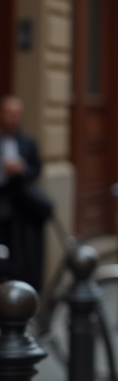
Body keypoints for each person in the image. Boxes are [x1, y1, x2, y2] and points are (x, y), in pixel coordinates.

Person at [0, 96, 50, 291]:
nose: (13, 119)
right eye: (9, 114)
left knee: (22, 256)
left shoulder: (27, 142)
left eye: (16, 115)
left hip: (20, 209)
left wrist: (22, 170)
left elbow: (36, 169)